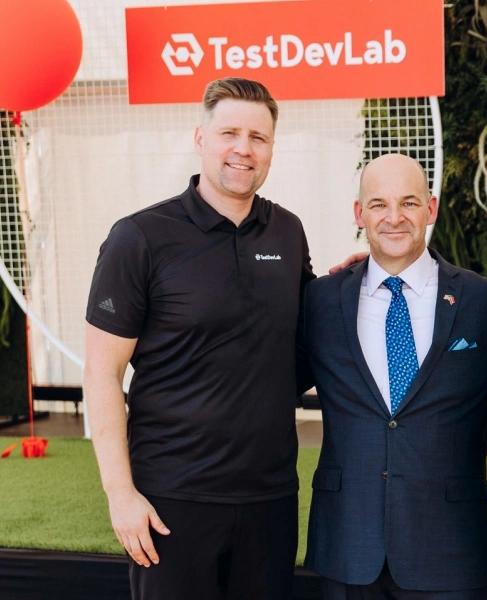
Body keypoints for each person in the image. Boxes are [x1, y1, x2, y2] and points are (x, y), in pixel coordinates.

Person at [83, 77, 314, 600]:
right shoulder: (140, 237)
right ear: (201, 137)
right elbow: (101, 372)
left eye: (258, 137)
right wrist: (120, 494)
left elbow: (305, 331)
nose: (243, 148)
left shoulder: (287, 232)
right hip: (171, 500)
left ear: (272, 148)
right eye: (229, 132)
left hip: (270, 497)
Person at [301, 153, 487, 599]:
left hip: (449, 547)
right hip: (347, 545)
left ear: (430, 208)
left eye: (409, 203)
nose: (394, 218)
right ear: (359, 214)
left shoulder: (486, 303)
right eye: (378, 204)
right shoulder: (318, 302)